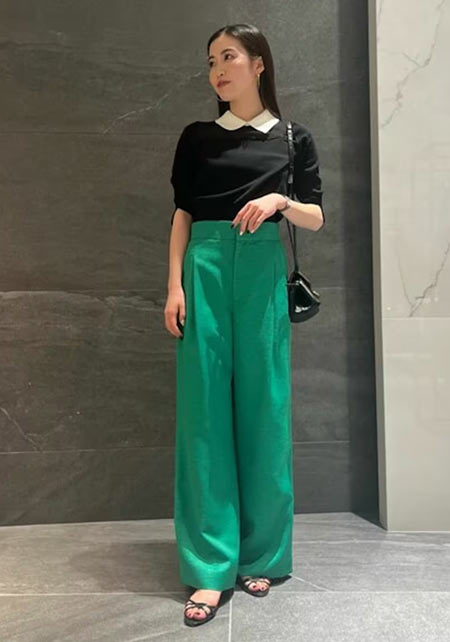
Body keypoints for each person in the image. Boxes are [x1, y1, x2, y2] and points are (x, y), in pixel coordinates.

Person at [164, 23, 325, 627]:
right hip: (204, 266)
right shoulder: (198, 138)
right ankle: (210, 567)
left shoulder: (292, 137)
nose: (217, 70)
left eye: (228, 57)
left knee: (264, 410)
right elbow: (182, 214)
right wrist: (174, 285)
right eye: (211, 60)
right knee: (203, 416)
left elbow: (317, 216)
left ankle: (262, 554)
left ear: (259, 64)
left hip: (260, 270)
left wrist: (281, 201)